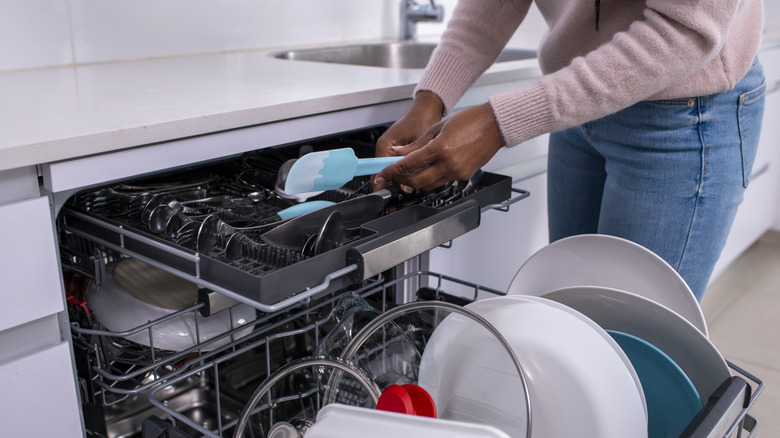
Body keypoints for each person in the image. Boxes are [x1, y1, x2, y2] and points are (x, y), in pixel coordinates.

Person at [372, 0, 766, 301]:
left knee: (636, 353)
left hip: (682, 113)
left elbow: (685, 28)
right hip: (580, 105)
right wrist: (432, 98)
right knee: (572, 317)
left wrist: (498, 123)